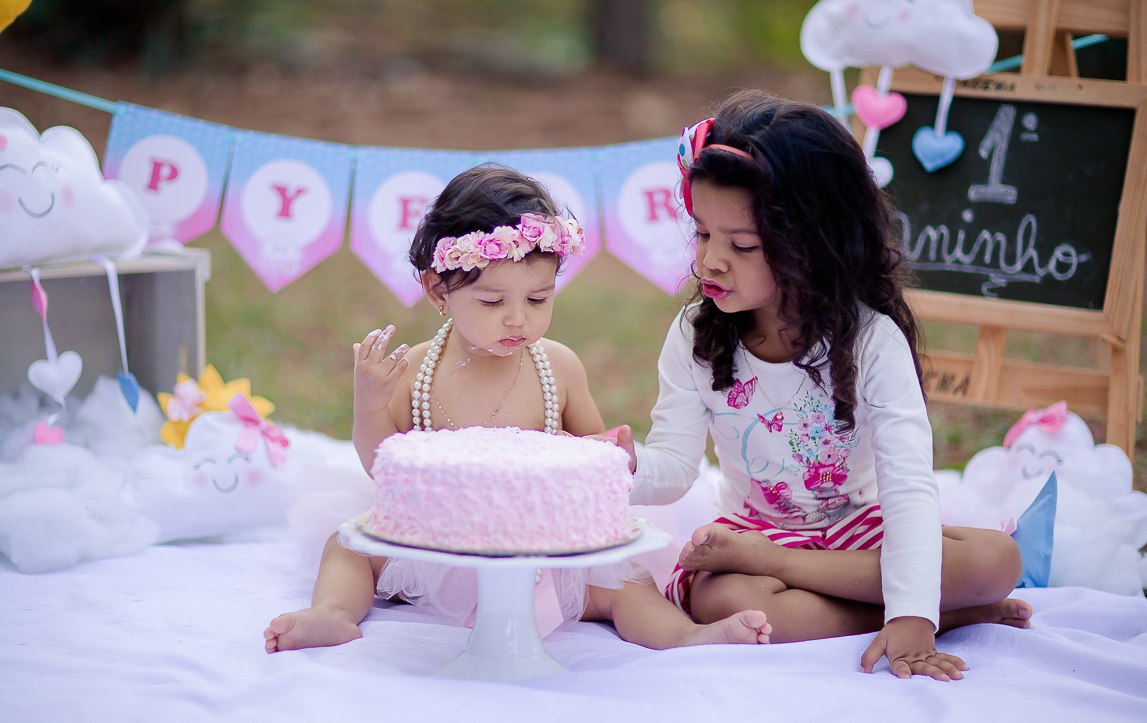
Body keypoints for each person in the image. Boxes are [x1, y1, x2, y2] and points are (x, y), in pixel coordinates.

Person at [264, 165, 772, 653]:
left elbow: (596, 461)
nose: (517, 319)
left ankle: (685, 637)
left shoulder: (558, 368)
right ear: (438, 290)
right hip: (439, 539)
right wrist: (370, 406)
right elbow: (385, 468)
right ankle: (332, 612)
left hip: (544, 548)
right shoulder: (418, 370)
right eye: (491, 302)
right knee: (348, 546)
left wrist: (601, 457)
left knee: (629, 583)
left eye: (538, 299)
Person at [621, 91, 1030, 681]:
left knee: (997, 557)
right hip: (747, 534)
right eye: (703, 233)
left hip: (859, 530)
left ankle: (914, 604)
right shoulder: (695, 335)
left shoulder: (871, 340)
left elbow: (909, 487)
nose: (709, 260)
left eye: (740, 245)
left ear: (813, 245)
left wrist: (913, 613)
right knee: (730, 604)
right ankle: (951, 610)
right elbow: (676, 464)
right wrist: (625, 467)